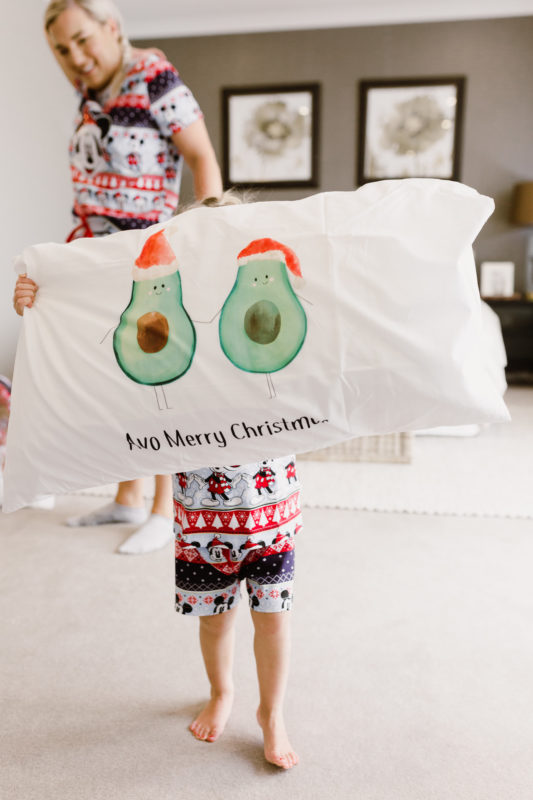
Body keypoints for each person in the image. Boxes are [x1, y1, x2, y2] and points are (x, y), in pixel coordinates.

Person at [13, 0, 223, 554]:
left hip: (147, 257)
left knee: (158, 379)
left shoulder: (153, 75)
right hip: (93, 259)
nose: (75, 56)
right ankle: (128, 496)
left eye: (83, 39)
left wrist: (208, 234)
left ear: (112, 27)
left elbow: (201, 156)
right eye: (61, 49)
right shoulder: (89, 97)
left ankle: (165, 508)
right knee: (114, 378)